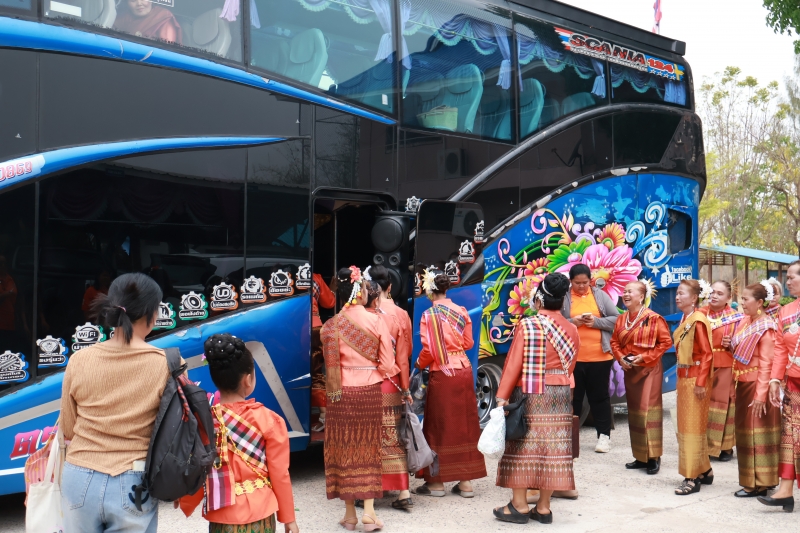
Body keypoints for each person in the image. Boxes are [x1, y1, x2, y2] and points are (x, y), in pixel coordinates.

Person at [60, 273, 166, 532]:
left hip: (78, 475)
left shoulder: (80, 360)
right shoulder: (167, 364)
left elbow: (68, 428)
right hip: (134, 481)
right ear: (152, 314)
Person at [179, 334, 299, 533]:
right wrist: (289, 518)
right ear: (248, 379)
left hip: (221, 513)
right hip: (260, 510)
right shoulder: (269, 419)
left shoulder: (205, 420)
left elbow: (199, 464)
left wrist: (185, 499)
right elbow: (280, 474)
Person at [492, 273, 579, 524]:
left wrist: (502, 397)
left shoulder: (528, 325)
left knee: (522, 446)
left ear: (538, 300)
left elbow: (513, 364)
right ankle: (543, 508)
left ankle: (519, 505)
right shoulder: (571, 328)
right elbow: (571, 364)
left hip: (531, 392)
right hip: (560, 394)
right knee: (553, 450)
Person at [321, 266, 393, 531]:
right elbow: (388, 364)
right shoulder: (377, 320)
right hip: (369, 391)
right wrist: (375, 372)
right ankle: (369, 513)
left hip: (339, 393)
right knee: (368, 448)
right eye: (363, 287)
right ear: (358, 291)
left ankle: (350, 514)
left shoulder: (330, 327)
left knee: (344, 449)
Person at [414, 269, 487, 498]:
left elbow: (429, 351)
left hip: (443, 372)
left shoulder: (429, 315)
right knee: (465, 424)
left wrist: (418, 364)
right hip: (463, 370)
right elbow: (468, 342)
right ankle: (465, 482)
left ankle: (436, 483)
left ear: (429, 290)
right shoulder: (461, 311)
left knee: (438, 425)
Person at [610, 281, 672, 475]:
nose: (626, 294)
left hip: (649, 370)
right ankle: (640, 456)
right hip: (631, 371)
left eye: (630, 291)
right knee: (635, 412)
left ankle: (653, 457)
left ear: (641, 296)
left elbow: (665, 342)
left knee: (649, 412)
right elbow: (614, 342)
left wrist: (644, 357)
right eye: (624, 291)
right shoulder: (622, 319)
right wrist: (620, 358)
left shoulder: (654, 318)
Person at [363, 274, 413, 510]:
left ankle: (371, 492)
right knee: (393, 437)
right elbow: (403, 358)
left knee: (369, 438)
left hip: (367, 383)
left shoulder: (359, 319)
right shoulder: (398, 316)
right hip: (391, 382)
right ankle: (404, 492)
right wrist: (406, 388)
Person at [561, 264, 620, 453]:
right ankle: (570, 438)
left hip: (600, 356)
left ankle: (604, 437)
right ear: (570, 281)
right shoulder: (564, 297)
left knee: (600, 397)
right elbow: (555, 322)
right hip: (573, 358)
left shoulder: (600, 296)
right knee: (574, 398)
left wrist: (596, 322)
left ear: (590, 281)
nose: (581, 286)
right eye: (577, 283)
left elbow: (616, 319)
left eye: (585, 283)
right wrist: (573, 322)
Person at [729, 281, 781, 498]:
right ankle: (755, 481)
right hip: (743, 384)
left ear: (759, 302)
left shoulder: (766, 327)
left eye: (746, 299)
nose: (742, 302)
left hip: (757, 387)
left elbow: (767, 364)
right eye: (741, 298)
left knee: (756, 435)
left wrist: (760, 395)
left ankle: (758, 483)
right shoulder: (745, 322)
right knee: (745, 434)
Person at [760, 261, 800, 512]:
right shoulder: (787, 311)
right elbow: (780, 348)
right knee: (790, 436)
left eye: (794, 276)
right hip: (793, 383)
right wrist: (775, 379)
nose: (788, 281)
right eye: (787, 276)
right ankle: (785, 490)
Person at [672, 279, 714, 495]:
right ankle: (704, 469)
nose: (677, 297)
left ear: (694, 298)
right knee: (689, 427)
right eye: (677, 293)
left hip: (695, 378)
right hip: (684, 378)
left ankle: (692, 477)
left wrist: (700, 382)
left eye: (682, 293)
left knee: (691, 428)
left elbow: (707, 354)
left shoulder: (698, 320)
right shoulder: (686, 318)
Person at [699, 280, 743, 462]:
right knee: (702, 404)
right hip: (702, 365)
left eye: (719, 293)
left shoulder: (737, 318)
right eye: (712, 292)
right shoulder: (699, 314)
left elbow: (746, 347)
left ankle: (725, 446)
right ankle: (703, 445)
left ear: (729, 297)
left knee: (722, 404)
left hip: (725, 366)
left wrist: (732, 342)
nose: (714, 296)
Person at [368, 265, 412, 365]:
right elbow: (407, 350)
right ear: (389, 287)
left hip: (366, 369)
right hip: (393, 368)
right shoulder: (401, 314)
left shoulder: (362, 311)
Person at [311, 272, 336, 432]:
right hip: (314, 327)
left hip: (289, 327)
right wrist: (332, 289)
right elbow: (330, 302)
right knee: (316, 372)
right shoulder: (315, 278)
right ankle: (324, 415)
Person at [114, 0, 182, 44]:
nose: (139, 3)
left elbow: (166, 52)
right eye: (133, 0)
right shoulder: (123, 17)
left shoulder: (163, 17)